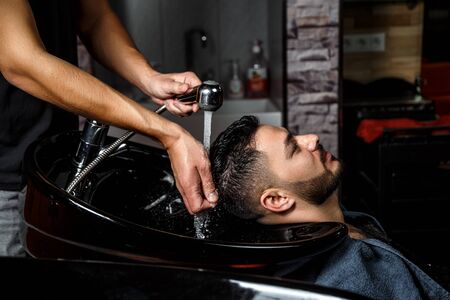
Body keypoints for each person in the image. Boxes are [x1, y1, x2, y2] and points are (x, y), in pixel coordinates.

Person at [0, 0, 218, 256]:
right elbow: (22, 62)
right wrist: (168, 134)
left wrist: (148, 78)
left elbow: (94, 17)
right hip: (5, 182)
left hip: (55, 163)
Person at [209, 116, 449, 299]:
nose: (312, 138)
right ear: (276, 200)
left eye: (295, 135)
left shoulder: (345, 222)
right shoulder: (346, 280)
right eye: (294, 148)